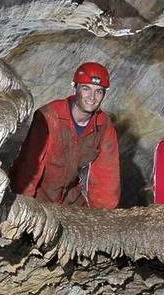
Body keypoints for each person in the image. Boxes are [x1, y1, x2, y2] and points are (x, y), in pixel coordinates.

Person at [9, 62, 120, 209]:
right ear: (75, 87)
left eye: (99, 91)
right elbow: (29, 165)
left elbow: (107, 177)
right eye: (86, 89)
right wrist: (24, 206)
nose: (92, 97)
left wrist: (102, 216)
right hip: (38, 196)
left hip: (70, 200)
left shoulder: (104, 125)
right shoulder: (49, 116)